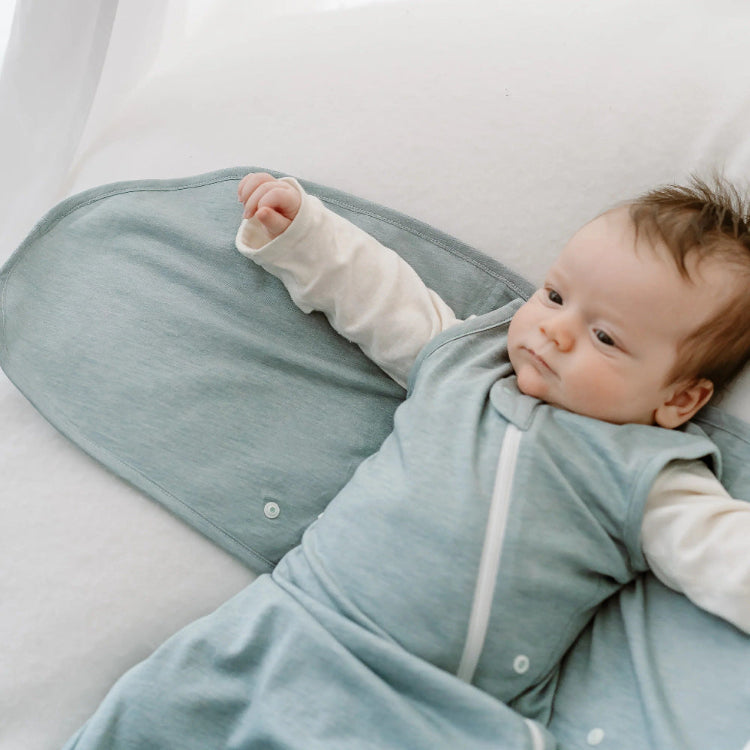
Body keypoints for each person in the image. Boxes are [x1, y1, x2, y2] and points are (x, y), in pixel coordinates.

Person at [63, 172, 750, 749]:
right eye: (555, 295)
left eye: (604, 337)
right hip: (296, 623)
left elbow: (721, 552)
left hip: (439, 707)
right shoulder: (468, 364)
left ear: (679, 399)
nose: (556, 331)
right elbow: (382, 300)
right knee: (162, 711)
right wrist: (302, 235)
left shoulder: (647, 475)